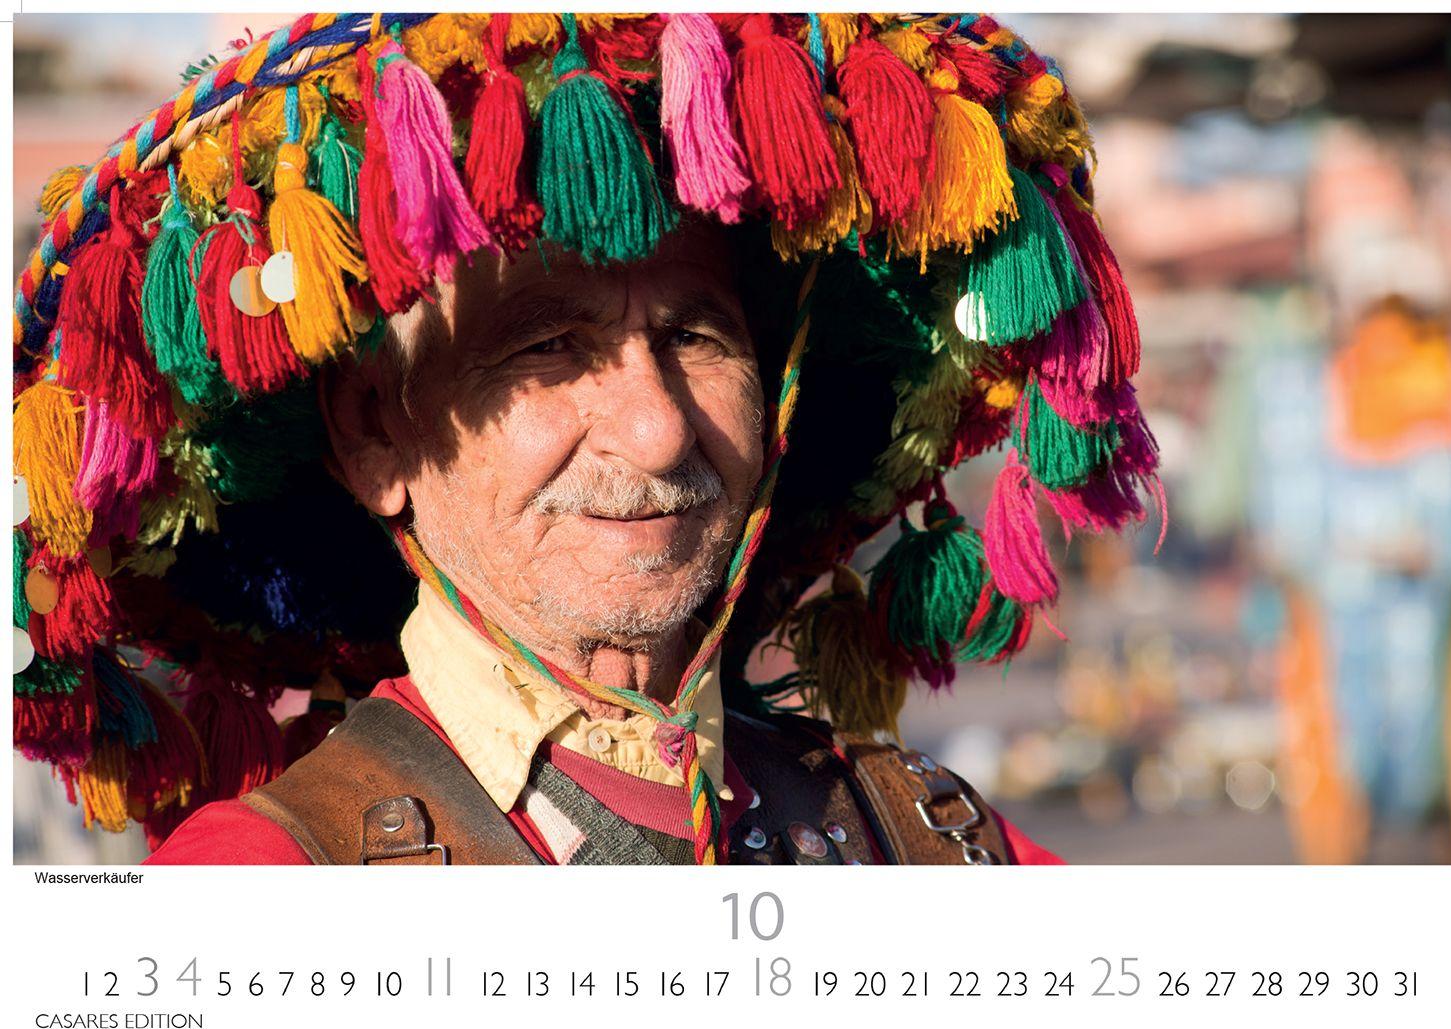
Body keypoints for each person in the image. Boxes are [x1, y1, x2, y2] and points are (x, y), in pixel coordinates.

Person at [12, 12, 1160, 865]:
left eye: (699, 337)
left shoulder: (935, 843)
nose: (660, 433)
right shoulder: (264, 885)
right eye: (546, 347)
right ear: (376, 437)